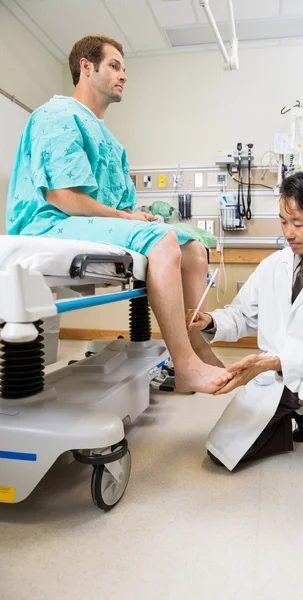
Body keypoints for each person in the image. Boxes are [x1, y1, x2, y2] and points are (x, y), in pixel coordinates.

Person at [5, 34, 233, 395]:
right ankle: (186, 365)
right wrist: (127, 220)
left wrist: (136, 217)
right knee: (164, 243)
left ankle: (195, 346)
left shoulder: (111, 141)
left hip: (86, 223)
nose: (123, 75)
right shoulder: (57, 116)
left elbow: (120, 207)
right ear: (86, 67)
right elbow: (64, 196)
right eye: (114, 66)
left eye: (124, 69)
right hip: (50, 223)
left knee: (193, 248)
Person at [186, 172, 303, 489]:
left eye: (298, 223)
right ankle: (293, 416)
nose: (288, 233)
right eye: (283, 222)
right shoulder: (272, 265)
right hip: (274, 380)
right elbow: (244, 314)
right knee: (221, 456)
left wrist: (274, 361)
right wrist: (211, 321)